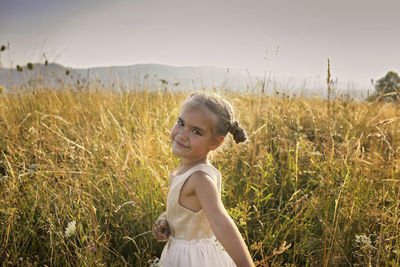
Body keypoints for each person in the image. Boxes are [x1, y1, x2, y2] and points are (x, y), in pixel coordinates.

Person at [152, 92, 254, 267]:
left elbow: (221, 223)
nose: (183, 134)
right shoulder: (183, 171)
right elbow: (187, 215)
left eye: (196, 131)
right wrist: (165, 220)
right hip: (178, 252)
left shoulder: (201, 179)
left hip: (194, 259)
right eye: (181, 123)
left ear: (215, 143)